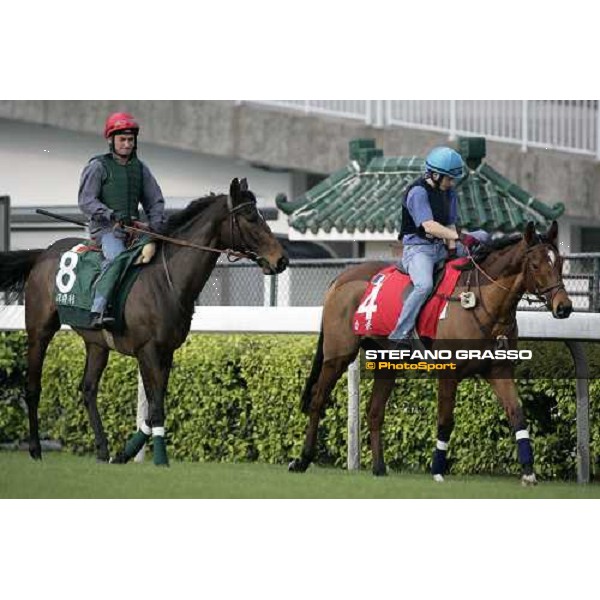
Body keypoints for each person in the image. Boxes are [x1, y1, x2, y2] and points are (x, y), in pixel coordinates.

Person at [78, 112, 168, 329]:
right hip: (107, 231)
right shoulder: (98, 166)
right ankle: (98, 310)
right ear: (111, 140)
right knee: (118, 257)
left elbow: (155, 201)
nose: (127, 144)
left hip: (135, 229)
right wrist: (108, 213)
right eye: (122, 140)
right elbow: (86, 200)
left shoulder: (141, 168)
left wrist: (156, 224)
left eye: (130, 140)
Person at [388, 146, 482, 346]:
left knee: (483, 236)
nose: (452, 183)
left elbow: (448, 224)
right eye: (449, 178)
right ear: (436, 174)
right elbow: (429, 226)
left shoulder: (449, 192)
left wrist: (452, 247)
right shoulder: (417, 193)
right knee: (424, 286)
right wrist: (459, 238)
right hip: (418, 250)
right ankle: (400, 334)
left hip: (441, 247)